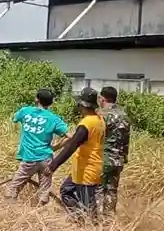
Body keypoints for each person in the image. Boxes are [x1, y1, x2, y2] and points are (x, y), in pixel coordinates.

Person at [47, 87, 106, 222]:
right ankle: (79, 218)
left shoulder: (86, 124)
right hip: (85, 168)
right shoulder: (99, 120)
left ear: (82, 105)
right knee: (66, 190)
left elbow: (72, 146)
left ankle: (90, 227)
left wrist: (53, 165)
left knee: (88, 207)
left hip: (87, 170)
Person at [4, 87, 68, 205]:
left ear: (36, 99)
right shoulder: (54, 119)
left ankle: (10, 211)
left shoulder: (25, 111)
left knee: (13, 188)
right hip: (46, 159)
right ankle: (41, 214)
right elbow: (70, 136)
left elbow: (14, 118)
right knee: (44, 192)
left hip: (29, 158)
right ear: (51, 103)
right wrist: (56, 147)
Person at [98, 86, 131, 218]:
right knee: (112, 190)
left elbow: (96, 136)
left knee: (98, 189)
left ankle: (96, 218)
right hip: (119, 159)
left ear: (102, 98)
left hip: (104, 158)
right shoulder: (124, 115)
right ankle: (109, 219)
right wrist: (124, 157)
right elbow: (126, 139)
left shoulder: (102, 115)